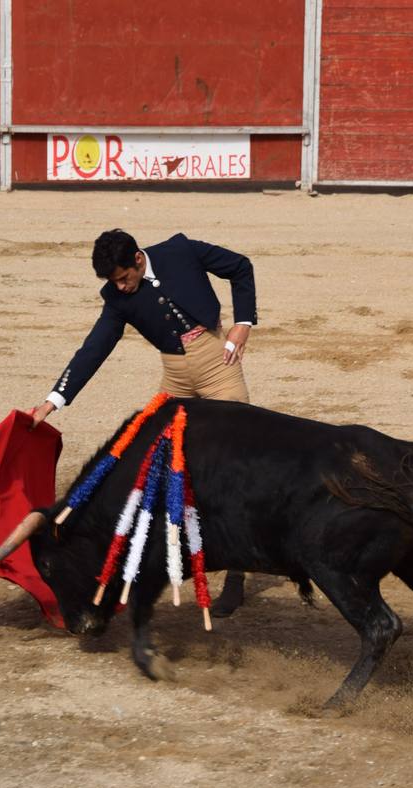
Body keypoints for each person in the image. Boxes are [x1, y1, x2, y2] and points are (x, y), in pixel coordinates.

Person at [30, 228, 257, 615]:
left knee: (239, 460)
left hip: (218, 363)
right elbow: (94, 348)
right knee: (161, 464)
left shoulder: (180, 251)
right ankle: (162, 558)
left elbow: (240, 266)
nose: (121, 287)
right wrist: (54, 401)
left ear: (137, 259)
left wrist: (244, 322)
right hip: (175, 377)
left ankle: (236, 574)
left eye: (123, 277)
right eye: (113, 282)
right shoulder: (116, 298)